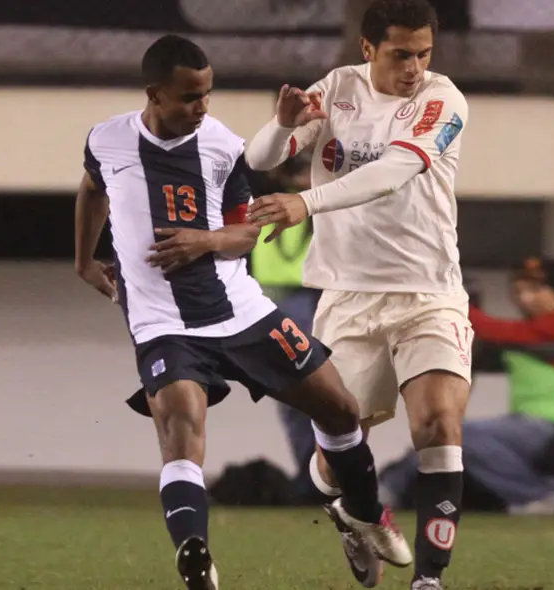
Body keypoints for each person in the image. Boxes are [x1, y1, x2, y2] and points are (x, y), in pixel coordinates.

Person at [73, 34, 411, 590]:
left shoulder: (223, 146)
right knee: (181, 428)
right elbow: (91, 189)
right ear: (154, 94)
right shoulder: (107, 140)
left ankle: (361, 513)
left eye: (207, 94)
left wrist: (204, 242)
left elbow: (247, 231)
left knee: (341, 410)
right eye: (188, 98)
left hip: (242, 313)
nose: (201, 107)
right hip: (164, 325)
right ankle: (195, 554)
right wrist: (85, 261)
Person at [245, 2, 472, 588]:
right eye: (401, 54)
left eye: (424, 53)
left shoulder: (443, 101)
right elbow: (260, 159)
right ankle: (350, 514)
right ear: (368, 48)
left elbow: (394, 171)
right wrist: (281, 122)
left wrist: (304, 202)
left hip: (428, 293)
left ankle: (428, 581)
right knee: (335, 460)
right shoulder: (337, 90)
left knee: (439, 425)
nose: (415, 67)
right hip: (347, 298)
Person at [379, 258, 554, 515]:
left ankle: (541, 495)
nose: (525, 299)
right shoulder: (535, 339)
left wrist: (453, 303)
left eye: (535, 290)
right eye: (519, 291)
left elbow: (497, 332)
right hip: (539, 428)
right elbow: (480, 352)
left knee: (458, 435)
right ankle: (385, 490)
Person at [248, 160, 323, 502]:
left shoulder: (307, 206)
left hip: (293, 299)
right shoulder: (270, 202)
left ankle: (318, 477)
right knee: (301, 399)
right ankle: (314, 477)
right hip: (284, 300)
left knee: (307, 399)